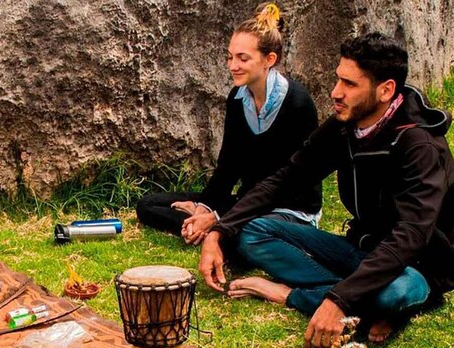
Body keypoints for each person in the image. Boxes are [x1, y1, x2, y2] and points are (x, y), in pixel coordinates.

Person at [199, 32, 454, 348]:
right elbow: (285, 179)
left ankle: (297, 295)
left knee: (394, 293)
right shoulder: (344, 127)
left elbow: (411, 236)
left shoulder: (420, 146)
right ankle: (361, 302)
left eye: (349, 84)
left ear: (385, 90)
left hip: (413, 267)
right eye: (338, 79)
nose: (336, 92)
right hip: (358, 250)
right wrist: (219, 230)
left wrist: (337, 301)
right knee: (252, 231)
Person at [136, 3, 321, 246]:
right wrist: (204, 207)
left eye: (243, 58)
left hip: (287, 207)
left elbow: (287, 184)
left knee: (244, 237)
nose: (233, 66)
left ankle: (219, 229)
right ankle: (203, 226)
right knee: (148, 205)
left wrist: (218, 216)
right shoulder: (237, 98)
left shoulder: (297, 104)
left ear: (269, 59)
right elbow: (228, 166)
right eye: (230, 57)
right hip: (246, 201)